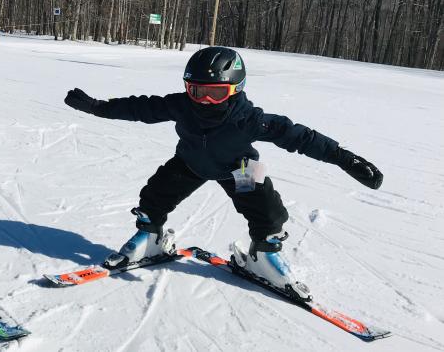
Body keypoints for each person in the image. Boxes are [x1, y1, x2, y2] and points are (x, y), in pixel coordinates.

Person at [63, 47, 383, 299]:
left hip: (239, 167)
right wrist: (99, 107)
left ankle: (263, 254)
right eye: (195, 90)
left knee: (269, 212)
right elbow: (141, 108)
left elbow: (301, 137)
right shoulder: (182, 105)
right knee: (154, 196)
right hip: (191, 161)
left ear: (235, 89)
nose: (203, 100)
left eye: (214, 93)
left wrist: (344, 158)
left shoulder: (250, 120)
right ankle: (151, 237)